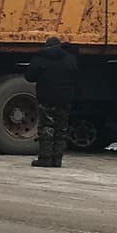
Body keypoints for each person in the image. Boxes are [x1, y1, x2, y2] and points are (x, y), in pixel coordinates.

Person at [24, 34, 78, 168]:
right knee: (62, 128)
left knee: (46, 127)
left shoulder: (40, 58)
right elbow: (76, 75)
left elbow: (30, 77)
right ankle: (57, 160)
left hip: (46, 97)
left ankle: (45, 159)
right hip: (65, 98)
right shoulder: (70, 58)